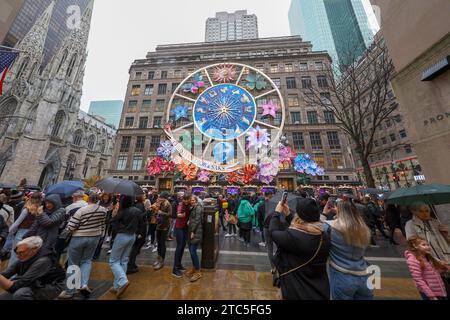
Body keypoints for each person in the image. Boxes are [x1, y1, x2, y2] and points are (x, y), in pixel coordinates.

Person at [270, 198, 331, 300]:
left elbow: (273, 232)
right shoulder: (324, 236)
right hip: (320, 289)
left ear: (301, 216)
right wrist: (288, 214)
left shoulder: (293, 237)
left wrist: (277, 212)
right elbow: (305, 226)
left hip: (298, 289)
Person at [58, 193, 107, 299]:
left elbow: (71, 226)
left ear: (88, 199)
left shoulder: (82, 210)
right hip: (95, 237)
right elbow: (103, 224)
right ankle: (84, 284)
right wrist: (101, 236)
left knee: (73, 263)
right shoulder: (103, 210)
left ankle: (70, 290)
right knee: (87, 261)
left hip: (79, 238)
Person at [323, 201, 373, 300]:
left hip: (342, 275)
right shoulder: (363, 228)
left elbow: (316, 229)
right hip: (364, 275)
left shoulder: (330, 227)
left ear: (339, 211)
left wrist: (324, 214)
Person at [0, 236, 66, 300]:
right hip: (35, 282)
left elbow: (15, 287)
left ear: (34, 249)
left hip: (52, 285)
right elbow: (6, 274)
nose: (18, 256)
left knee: (20, 294)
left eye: (21, 252)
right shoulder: (25, 255)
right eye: (17, 253)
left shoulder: (43, 261)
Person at [108, 195, 139, 299]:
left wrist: (114, 216)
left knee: (113, 261)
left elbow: (112, 221)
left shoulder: (123, 211)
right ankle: (117, 286)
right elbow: (141, 221)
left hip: (122, 236)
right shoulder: (136, 210)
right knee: (124, 260)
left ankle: (123, 281)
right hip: (132, 236)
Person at [405, 236, 450, 300]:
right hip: (431, 293)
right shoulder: (413, 260)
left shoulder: (428, 256)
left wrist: (444, 269)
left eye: (428, 245)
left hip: (440, 290)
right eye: (424, 245)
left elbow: (431, 272)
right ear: (415, 246)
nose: (428, 247)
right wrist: (431, 295)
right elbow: (418, 280)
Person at [7, 193, 41, 266]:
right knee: (24, 255)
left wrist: (9, 231)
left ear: (30, 199)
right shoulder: (40, 211)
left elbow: (17, 222)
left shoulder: (27, 209)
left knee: (15, 254)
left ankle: (10, 274)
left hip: (21, 233)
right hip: (32, 235)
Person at [127, 194, 148, 274]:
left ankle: (132, 263)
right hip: (140, 229)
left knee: (136, 247)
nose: (144, 196)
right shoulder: (140, 205)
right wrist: (148, 212)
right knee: (136, 247)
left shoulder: (138, 204)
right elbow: (140, 216)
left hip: (138, 228)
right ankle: (130, 265)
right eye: (143, 195)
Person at [172, 194, 192, 278]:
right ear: (183, 199)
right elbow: (177, 214)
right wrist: (181, 215)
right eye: (185, 199)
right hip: (179, 227)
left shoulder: (189, 205)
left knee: (183, 246)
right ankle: (175, 268)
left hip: (184, 228)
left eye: (188, 199)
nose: (186, 201)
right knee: (179, 246)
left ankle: (179, 265)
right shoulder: (181, 205)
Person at [186, 196, 203, 282]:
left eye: (193, 200)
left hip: (196, 232)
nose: (191, 201)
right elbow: (192, 218)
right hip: (191, 231)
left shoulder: (198, 208)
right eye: (191, 200)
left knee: (193, 251)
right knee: (191, 251)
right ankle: (194, 268)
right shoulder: (193, 207)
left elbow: (197, 220)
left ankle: (198, 272)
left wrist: (193, 231)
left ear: (196, 201)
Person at [153, 191, 172, 271]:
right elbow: (156, 213)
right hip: (159, 225)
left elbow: (170, 214)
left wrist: (162, 213)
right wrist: (156, 209)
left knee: (162, 243)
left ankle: (161, 261)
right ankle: (158, 258)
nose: (159, 198)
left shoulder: (168, 204)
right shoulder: (160, 203)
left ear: (164, 198)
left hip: (165, 226)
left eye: (161, 197)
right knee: (158, 243)